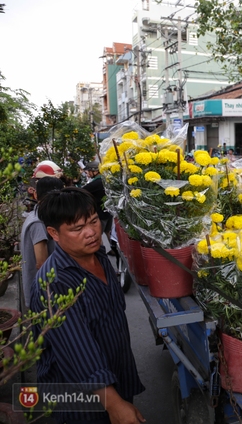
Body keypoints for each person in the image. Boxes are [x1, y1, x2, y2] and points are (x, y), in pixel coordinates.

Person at [30, 188, 145, 424]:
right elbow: (77, 351)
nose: (91, 232)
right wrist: (113, 403)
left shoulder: (99, 256)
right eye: (77, 229)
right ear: (54, 233)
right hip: (80, 399)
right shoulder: (54, 283)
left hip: (116, 376)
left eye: (93, 222)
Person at [19, 177, 64, 310]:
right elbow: (42, 263)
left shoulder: (36, 216)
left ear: (37, 195)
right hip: (43, 292)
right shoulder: (38, 223)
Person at [82, 160, 113, 246]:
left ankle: (101, 253)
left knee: (97, 235)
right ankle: (113, 248)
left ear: (95, 171)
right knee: (108, 232)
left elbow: (81, 191)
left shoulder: (96, 183)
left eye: (88, 171)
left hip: (100, 213)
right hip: (108, 212)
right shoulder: (105, 179)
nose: (87, 174)